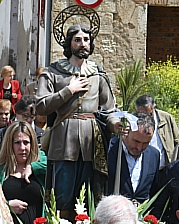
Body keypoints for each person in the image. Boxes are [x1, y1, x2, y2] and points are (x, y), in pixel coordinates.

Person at [35, 26, 117, 213]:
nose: (82, 44)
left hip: (92, 142)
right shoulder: (53, 72)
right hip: (63, 140)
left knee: (90, 195)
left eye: (86, 40)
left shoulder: (98, 74)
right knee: (62, 196)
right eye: (77, 40)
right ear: (69, 43)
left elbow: (108, 110)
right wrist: (68, 91)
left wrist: (116, 124)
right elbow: (41, 106)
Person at [0, 120, 46, 224]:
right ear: (9, 144)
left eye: (26, 142)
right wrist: (7, 206)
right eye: (17, 143)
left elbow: (54, 166)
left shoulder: (41, 162)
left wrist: (32, 166)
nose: (22, 147)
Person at [105, 113, 163, 203]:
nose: (139, 147)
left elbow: (153, 190)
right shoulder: (109, 150)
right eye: (136, 141)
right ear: (125, 132)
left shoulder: (154, 155)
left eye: (146, 143)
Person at [135, 94, 179, 167]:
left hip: (165, 167)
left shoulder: (166, 118)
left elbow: (177, 142)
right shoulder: (132, 121)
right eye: (141, 115)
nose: (146, 117)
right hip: (143, 168)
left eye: (149, 114)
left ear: (154, 107)